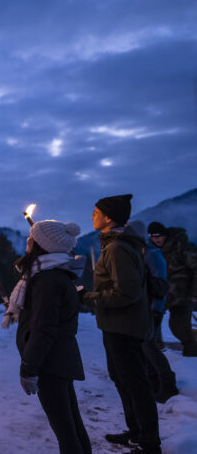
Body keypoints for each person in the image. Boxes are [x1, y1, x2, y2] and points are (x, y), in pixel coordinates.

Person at [2, 220, 90, 454]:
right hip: (59, 360)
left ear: (42, 245)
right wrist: (25, 307)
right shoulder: (54, 275)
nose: (28, 241)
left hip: (51, 363)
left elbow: (44, 328)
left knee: (65, 430)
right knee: (70, 424)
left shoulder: (47, 280)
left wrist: (29, 368)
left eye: (32, 237)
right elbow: (44, 316)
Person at [81, 194, 160, 454]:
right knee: (123, 380)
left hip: (124, 327)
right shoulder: (116, 244)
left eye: (96, 212)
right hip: (116, 325)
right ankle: (136, 432)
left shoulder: (117, 248)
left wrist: (87, 297)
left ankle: (149, 443)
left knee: (135, 383)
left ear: (109, 217)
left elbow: (127, 293)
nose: (92, 216)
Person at [128, 220, 178, 402]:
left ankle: (168, 386)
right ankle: (155, 384)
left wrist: (156, 309)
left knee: (150, 347)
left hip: (152, 308)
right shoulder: (143, 252)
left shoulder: (152, 254)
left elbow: (160, 285)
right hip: (145, 308)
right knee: (146, 347)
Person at [148, 221, 197, 357]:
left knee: (179, 326)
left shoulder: (182, 247)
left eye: (159, 236)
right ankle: (156, 351)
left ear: (165, 235)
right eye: (153, 236)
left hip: (183, 294)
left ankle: (191, 355)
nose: (156, 239)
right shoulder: (151, 250)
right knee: (152, 320)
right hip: (161, 293)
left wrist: (194, 292)